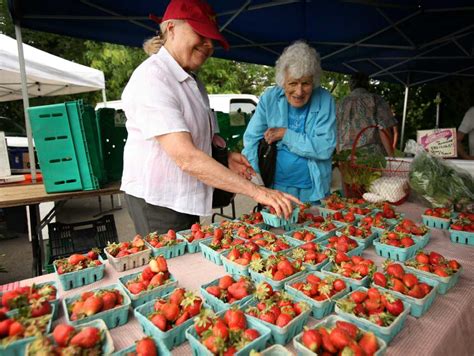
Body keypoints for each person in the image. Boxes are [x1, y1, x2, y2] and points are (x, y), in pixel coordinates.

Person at [120, 0, 299, 236]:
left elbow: (202, 140)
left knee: (186, 259)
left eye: (211, 38)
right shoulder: (153, 79)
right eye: (200, 34)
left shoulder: (192, 82)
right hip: (159, 200)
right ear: (171, 28)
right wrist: (258, 192)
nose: (208, 45)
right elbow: (186, 157)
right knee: (171, 265)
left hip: (182, 195)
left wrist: (226, 158)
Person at [242, 41, 337, 204]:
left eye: (305, 83)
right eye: (293, 83)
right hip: (276, 188)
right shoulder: (269, 99)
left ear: (313, 82)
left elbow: (325, 147)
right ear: (282, 81)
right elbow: (250, 141)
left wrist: (285, 134)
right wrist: (258, 184)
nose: (299, 92)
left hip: (313, 189)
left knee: (313, 227)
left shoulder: (324, 100)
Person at [336, 72, 397, 155]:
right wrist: (391, 156)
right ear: (367, 84)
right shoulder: (375, 100)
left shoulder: (340, 104)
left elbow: (336, 132)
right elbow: (383, 129)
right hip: (371, 157)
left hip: (346, 156)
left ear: (350, 85)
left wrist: (339, 156)